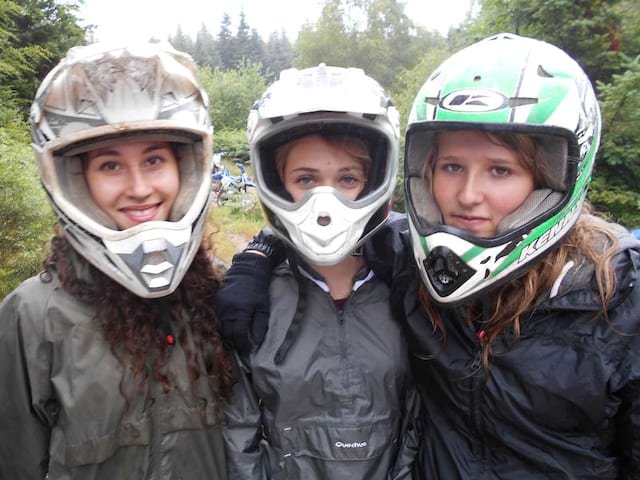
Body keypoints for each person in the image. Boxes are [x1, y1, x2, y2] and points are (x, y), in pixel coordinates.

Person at [218, 34, 640, 479]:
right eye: (452, 167)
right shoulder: (416, 264)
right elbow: (326, 227)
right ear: (425, 174)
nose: (467, 196)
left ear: (550, 183)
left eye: (501, 170)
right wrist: (261, 252)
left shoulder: (619, 304)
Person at [0, 43, 232, 479]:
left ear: (186, 168)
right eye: (110, 165)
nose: (139, 187)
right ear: (77, 181)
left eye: (154, 159)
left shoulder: (222, 295)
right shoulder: (32, 316)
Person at [221, 64, 421, 479]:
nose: (324, 201)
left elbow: (423, 418)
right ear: (278, 184)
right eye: (306, 179)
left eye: (347, 178)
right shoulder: (256, 300)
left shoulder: (409, 286)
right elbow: (240, 430)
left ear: (372, 182)